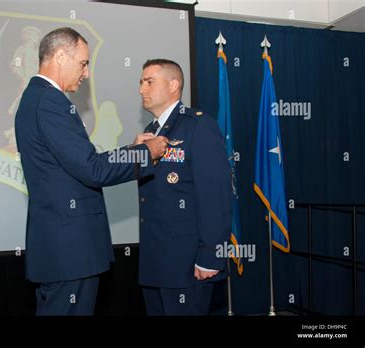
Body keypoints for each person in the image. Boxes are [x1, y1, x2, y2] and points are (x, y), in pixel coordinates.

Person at [14, 28, 168, 315]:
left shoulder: (35, 98)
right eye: (83, 63)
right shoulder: (50, 102)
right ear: (60, 56)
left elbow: (81, 163)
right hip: (70, 252)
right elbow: (93, 170)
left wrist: (131, 148)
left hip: (61, 251)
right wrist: (146, 153)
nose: (86, 73)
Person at [137, 59, 232, 315]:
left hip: (187, 264)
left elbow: (215, 196)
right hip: (155, 262)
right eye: (141, 82)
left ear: (173, 85)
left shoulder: (198, 126)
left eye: (149, 81)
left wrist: (211, 255)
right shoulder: (149, 132)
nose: (141, 89)